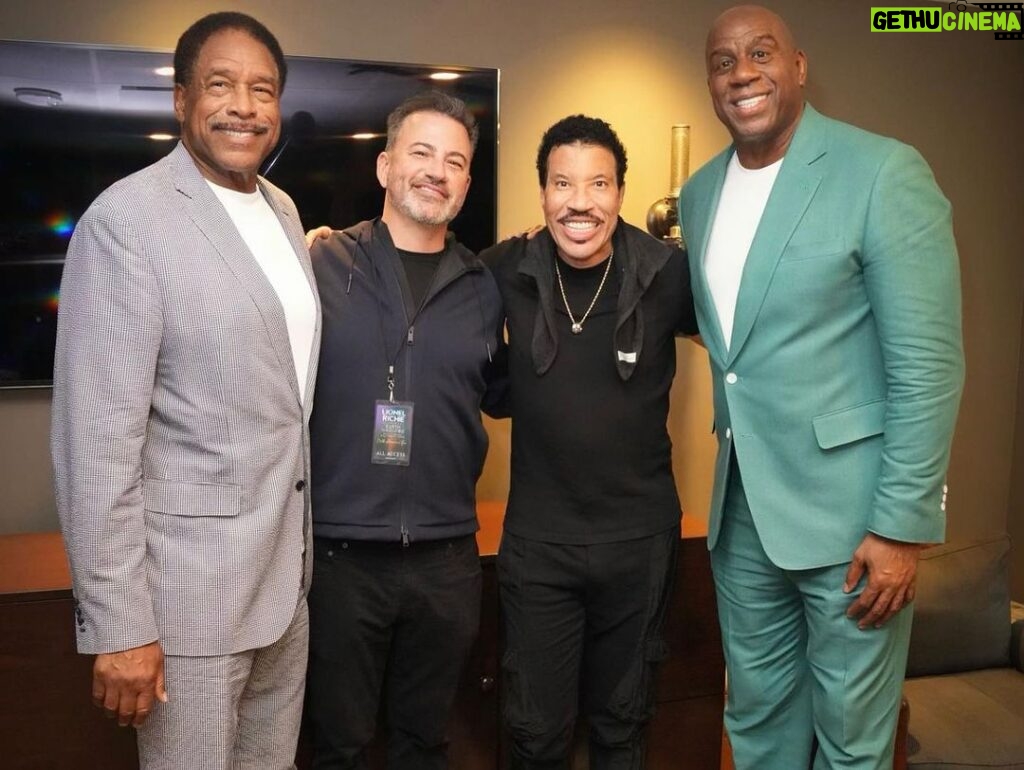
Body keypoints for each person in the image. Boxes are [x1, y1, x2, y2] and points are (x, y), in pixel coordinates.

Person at [678, 6, 964, 769]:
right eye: (722, 61)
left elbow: (928, 364)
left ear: (799, 66)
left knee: (852, 745)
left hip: (853, 529)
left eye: (761, 53)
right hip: (742, 518)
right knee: (759, 728)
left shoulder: (881, 171)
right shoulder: (700, 193)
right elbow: (734, 352)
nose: (742, 73)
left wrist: (901, 527)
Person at [50, 12, 319, 769]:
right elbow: (96, 441)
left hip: (283, 590)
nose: (244, 105)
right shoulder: (126, 223)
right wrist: (119, 625)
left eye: (262, 89)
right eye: (221, 85)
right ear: (180, 100)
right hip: (184, 604)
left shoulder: (283, 210)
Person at [481, 115, 698, 769]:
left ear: (621, 192)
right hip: (539, 547)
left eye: (598, 183)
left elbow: (753, 333)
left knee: (623, 727)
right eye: (563, 183)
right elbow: (432, 310)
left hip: (639, 546)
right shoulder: (502, 269)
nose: (580, 201)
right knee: (535, 732)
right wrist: (331, 246)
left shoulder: (669, 274)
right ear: (542, 193)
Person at [304, 90, 506, 769]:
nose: (437, 171)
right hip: (339, 558)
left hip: (447, 561)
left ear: (468, 183)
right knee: (339, 746)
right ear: (387, 166)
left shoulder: (484, 286)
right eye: (421, 153)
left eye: (454, 161)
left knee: (426, 743)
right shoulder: (320, 263)